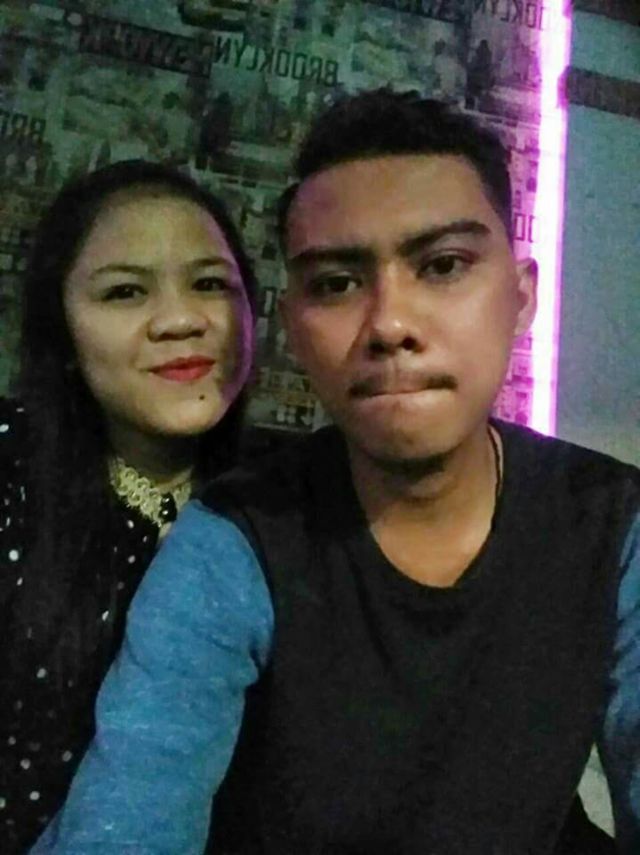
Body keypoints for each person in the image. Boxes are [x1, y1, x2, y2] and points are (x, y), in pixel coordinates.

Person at [32, 91, 639, 854]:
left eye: (443, 265)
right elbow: (130, 808)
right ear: (292, 325)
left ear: (521, 298)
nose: (389, 323)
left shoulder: (610, 523)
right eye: (336, 283)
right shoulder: (236, 540)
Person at [0, 159, 256, 852]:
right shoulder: (12, 473)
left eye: (210, 284)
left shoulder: (291, 503)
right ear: (62, 332)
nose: (180, 320)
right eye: (124, 292)